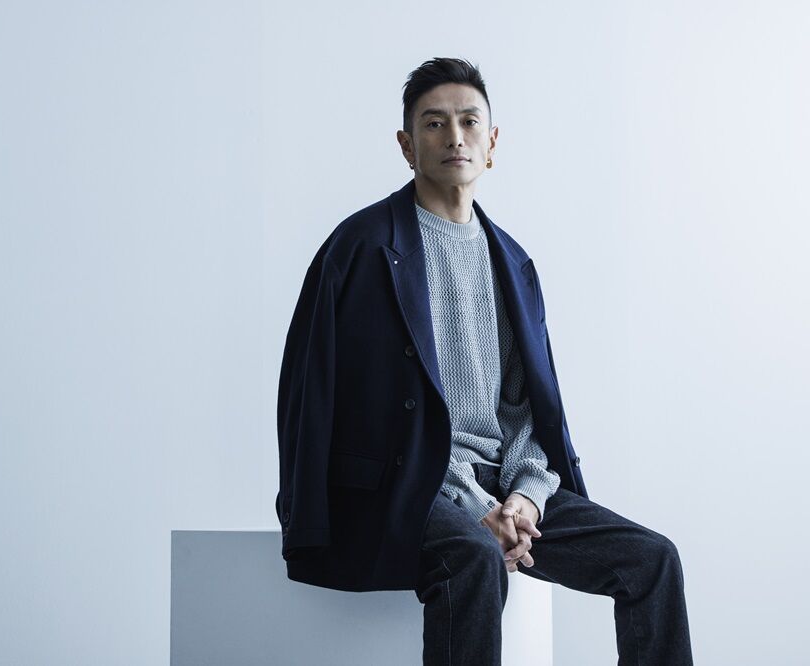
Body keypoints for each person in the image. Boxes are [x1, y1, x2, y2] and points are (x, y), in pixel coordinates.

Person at [275, 56, 693, 665]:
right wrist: (475, 506)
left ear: (491, 143)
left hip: (503, 485)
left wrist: (525, 497)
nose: (455, 137)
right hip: (408, 488)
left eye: (469, 122)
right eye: (434, 123)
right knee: (472, 558)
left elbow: (524, 409)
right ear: (406, 146)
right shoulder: (361, 248)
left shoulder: (513, 263)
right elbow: (314, 396)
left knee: (652, 561)